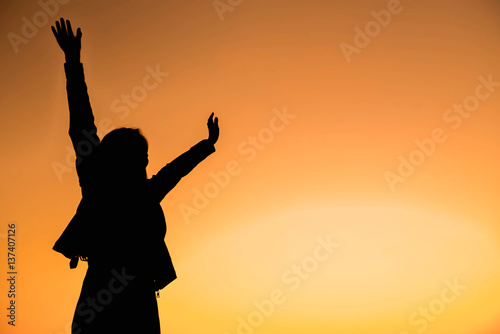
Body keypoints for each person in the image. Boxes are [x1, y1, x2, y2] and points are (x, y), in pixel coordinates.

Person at [51, 18, 219, 333]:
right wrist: (73, 63)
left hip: (136, 297)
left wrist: (206, 145)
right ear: (121, 160)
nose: (146, 165)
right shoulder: (99, 185)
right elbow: (82, 124)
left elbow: (173, 171)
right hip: (107, 298)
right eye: (141, 158)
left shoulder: (141, 193)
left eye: (146, 159)